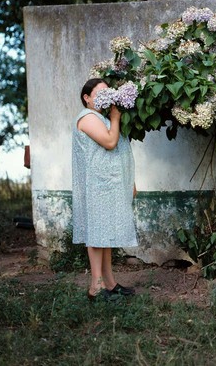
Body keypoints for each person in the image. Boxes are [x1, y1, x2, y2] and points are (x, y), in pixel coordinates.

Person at [72, 78, 139, 302]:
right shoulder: (88, 117)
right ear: (87, 97)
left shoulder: (100, 118)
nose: (104, 97)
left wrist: (129, 182)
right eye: (99, 93)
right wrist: (116, 117)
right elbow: (110, 142)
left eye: (106, 93)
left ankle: (110, 283)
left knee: (106, 235)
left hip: (109, 184)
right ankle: (96, 287)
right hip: (97, 185)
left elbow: (117, 153)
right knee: (97, 236)